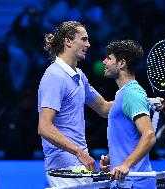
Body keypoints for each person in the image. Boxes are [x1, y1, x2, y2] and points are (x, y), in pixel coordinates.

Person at [38, 21, 114, 187]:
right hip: (63, 170)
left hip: (79, 168)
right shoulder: (54, 76)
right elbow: (44, 127)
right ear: (68, 41)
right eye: (84, 39)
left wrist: (144, 102)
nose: (88, 44)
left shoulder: (79, 76)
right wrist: (78, 152)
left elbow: (105, 108)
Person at [99, 40, 156, 189]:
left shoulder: (132, 93)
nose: (104, 61)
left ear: (122, 63)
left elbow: (149, 135)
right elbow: (129, 138)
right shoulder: (122, 94)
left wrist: (125, 164)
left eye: (109, 58)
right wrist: (113, 158)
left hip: (135, 183)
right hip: (124, 182)